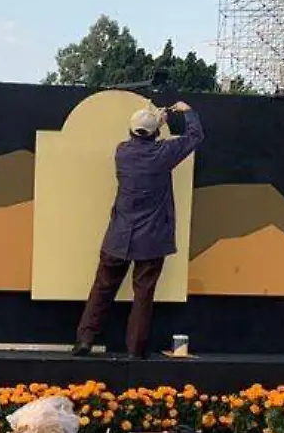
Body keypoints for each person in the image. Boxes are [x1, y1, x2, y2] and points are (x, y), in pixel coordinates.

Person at [73, 101, 204, 358]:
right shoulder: (163, 154)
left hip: (119, 236)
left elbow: (144, 137)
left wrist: (156, 121)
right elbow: (195, 136)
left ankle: (85, 341)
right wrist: (188, 111)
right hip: (152, 239)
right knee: (143, 294)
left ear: (131, 131)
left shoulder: (122, 152)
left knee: (102, 288)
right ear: (157, 133)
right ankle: (135, 350)